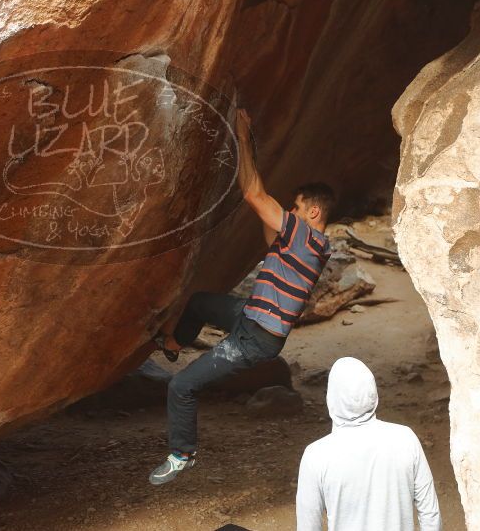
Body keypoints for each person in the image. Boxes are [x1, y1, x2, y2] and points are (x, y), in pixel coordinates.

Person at [148, 108, 336, 485]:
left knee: (181, 386)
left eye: (296, 207)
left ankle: (182, 454)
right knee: (201, 301)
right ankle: (174, 341)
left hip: (256, 338)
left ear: (312, 211)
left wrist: (240, 133)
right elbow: (265, 220)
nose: (290, 212)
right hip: (248, 315)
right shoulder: (298, 242)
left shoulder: (308, 238)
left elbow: (253, 193)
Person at [296, 357, 442, 531]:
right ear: (373, 394)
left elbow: (308, 526)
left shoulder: (316, 456)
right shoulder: (405, 438)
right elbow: (430, 514)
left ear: (331, 397)